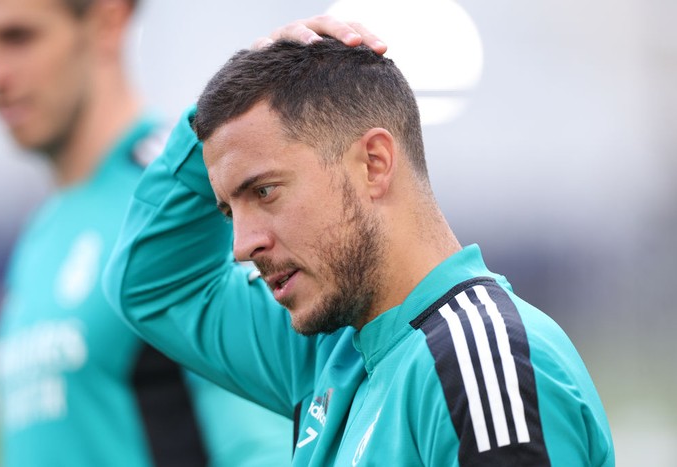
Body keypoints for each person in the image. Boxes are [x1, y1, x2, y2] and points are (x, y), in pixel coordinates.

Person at [103, 37, 615, 465]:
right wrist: (228, 111)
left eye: (264, 191)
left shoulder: (477, 360)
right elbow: (151, 286)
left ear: (373, 163)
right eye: (228, 212)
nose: (242, 245)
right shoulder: (332, 350)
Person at [0, 1, 367, 465]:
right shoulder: (41, 234)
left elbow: (266, 446)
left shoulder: (197, 205)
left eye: (19, 38)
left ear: (107, 20)